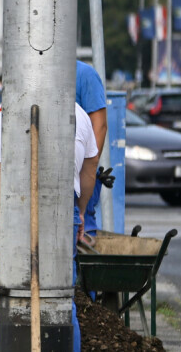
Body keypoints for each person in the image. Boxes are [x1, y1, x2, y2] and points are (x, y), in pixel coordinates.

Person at [0, 101, 99, 351]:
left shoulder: (11, 109)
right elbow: (90, 169)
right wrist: (78, 211)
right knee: (61, 299)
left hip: (15, 210)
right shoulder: (79, 114)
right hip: (63, 207)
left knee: (7, 298)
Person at [76, 60, 112, 236]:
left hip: (82, 177)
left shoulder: (84, 74)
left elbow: (100, 126)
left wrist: (88, 170)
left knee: (83, 232)